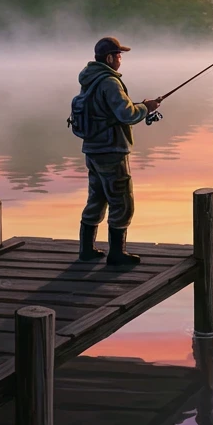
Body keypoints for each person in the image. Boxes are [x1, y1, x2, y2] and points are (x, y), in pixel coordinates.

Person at [77, 36, 161, 265]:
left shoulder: (90, 79)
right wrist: (146, 107)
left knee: (97, 197)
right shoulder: (109, 82)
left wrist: (139, 107)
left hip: (93, 149)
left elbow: (110, 110)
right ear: (109, 57)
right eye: (119, 55)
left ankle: (86, 250)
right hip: (111, 150)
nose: (121, 59)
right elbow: (126, 114)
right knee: (122, 200)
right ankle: (116, 253)